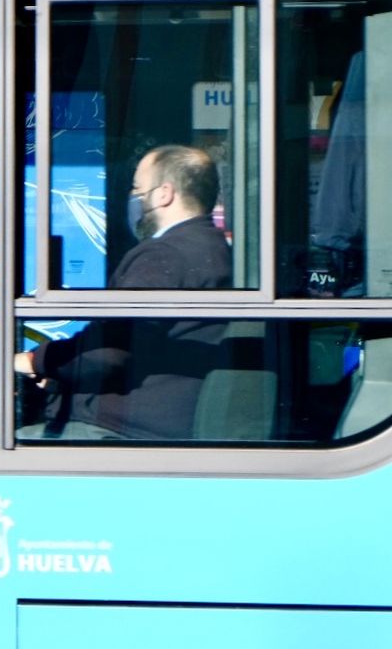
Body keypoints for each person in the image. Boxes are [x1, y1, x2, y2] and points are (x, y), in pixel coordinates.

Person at [16, 144, 232, 440]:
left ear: (164, 194)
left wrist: (36, 360)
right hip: (163, 417)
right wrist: (61, 373)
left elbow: (111, 350)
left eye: (137, 189)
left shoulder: (163, 255)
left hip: (121, 427)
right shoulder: (214, 247)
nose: (133, 198)